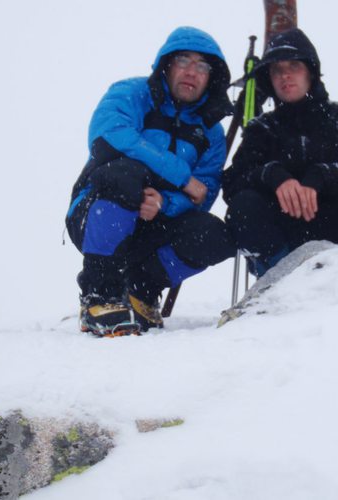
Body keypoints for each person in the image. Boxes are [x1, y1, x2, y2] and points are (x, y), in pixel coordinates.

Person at [66, 26, 235, 336]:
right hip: (97, 212)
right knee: (124, 174)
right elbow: (110, 136)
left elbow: (204, 193)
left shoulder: (211, 132)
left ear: (213, 77)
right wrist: (182, 177)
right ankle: (99, 295)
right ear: (166, 65)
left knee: (216, 235)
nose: (191, 72)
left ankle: (140, 292)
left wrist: (163, 203)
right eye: (183, 60)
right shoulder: (131, 93)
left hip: (155, 225)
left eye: (202, 66)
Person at [222, 28, 338, 277]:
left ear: (310, 71)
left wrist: (323, 176)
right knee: (244, 205)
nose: (285, 76)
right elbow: (232, 182)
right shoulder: (262, 129)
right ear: (269, 79)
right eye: (276, 70)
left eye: (294, 65)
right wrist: (273, 176)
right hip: (282, 235)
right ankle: (278, 283)